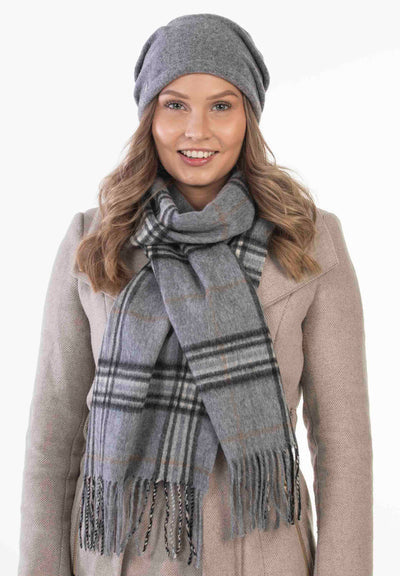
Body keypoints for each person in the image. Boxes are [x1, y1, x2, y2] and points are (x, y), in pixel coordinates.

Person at [17, 13, 373, 576]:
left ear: (248, 116)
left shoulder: (308, 238)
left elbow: (343, 445)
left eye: (221, 106)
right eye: (175, 104)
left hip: (259, 554)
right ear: (149, 116)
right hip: (117, 557)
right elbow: (52, 439)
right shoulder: (95, 239)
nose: (197, 130)